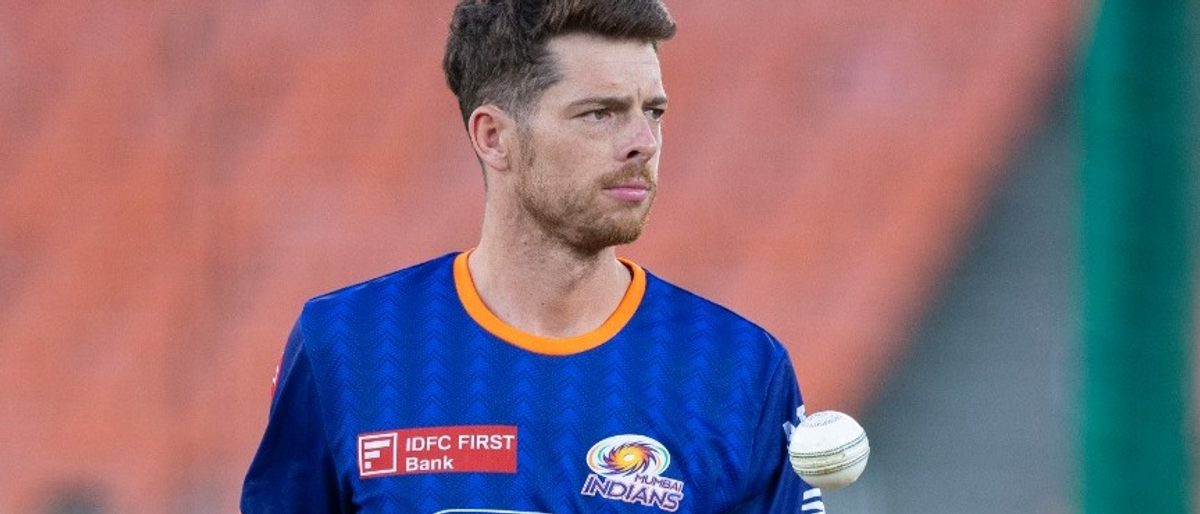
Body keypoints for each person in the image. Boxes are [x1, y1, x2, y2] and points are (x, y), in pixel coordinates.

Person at [241, 1, 824, 512]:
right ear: (493, 137)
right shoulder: (348, 345)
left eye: (653, 111)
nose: (643, 143)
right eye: (600, 113)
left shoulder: (739, 369)